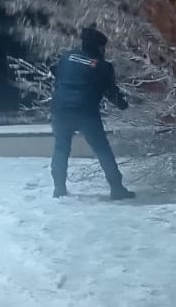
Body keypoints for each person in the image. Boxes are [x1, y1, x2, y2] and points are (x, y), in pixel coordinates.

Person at [50, 27, 134, 200]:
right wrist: (124, 105)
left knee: (61, 148)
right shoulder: (103, 67)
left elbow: (58, 75)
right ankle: (117, 188)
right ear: (98, 47)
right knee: (102, 149)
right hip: (85, 111)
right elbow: (111, 93)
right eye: (103, 47)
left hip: (60, 109)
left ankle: (59, 188)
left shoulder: (67, 57)